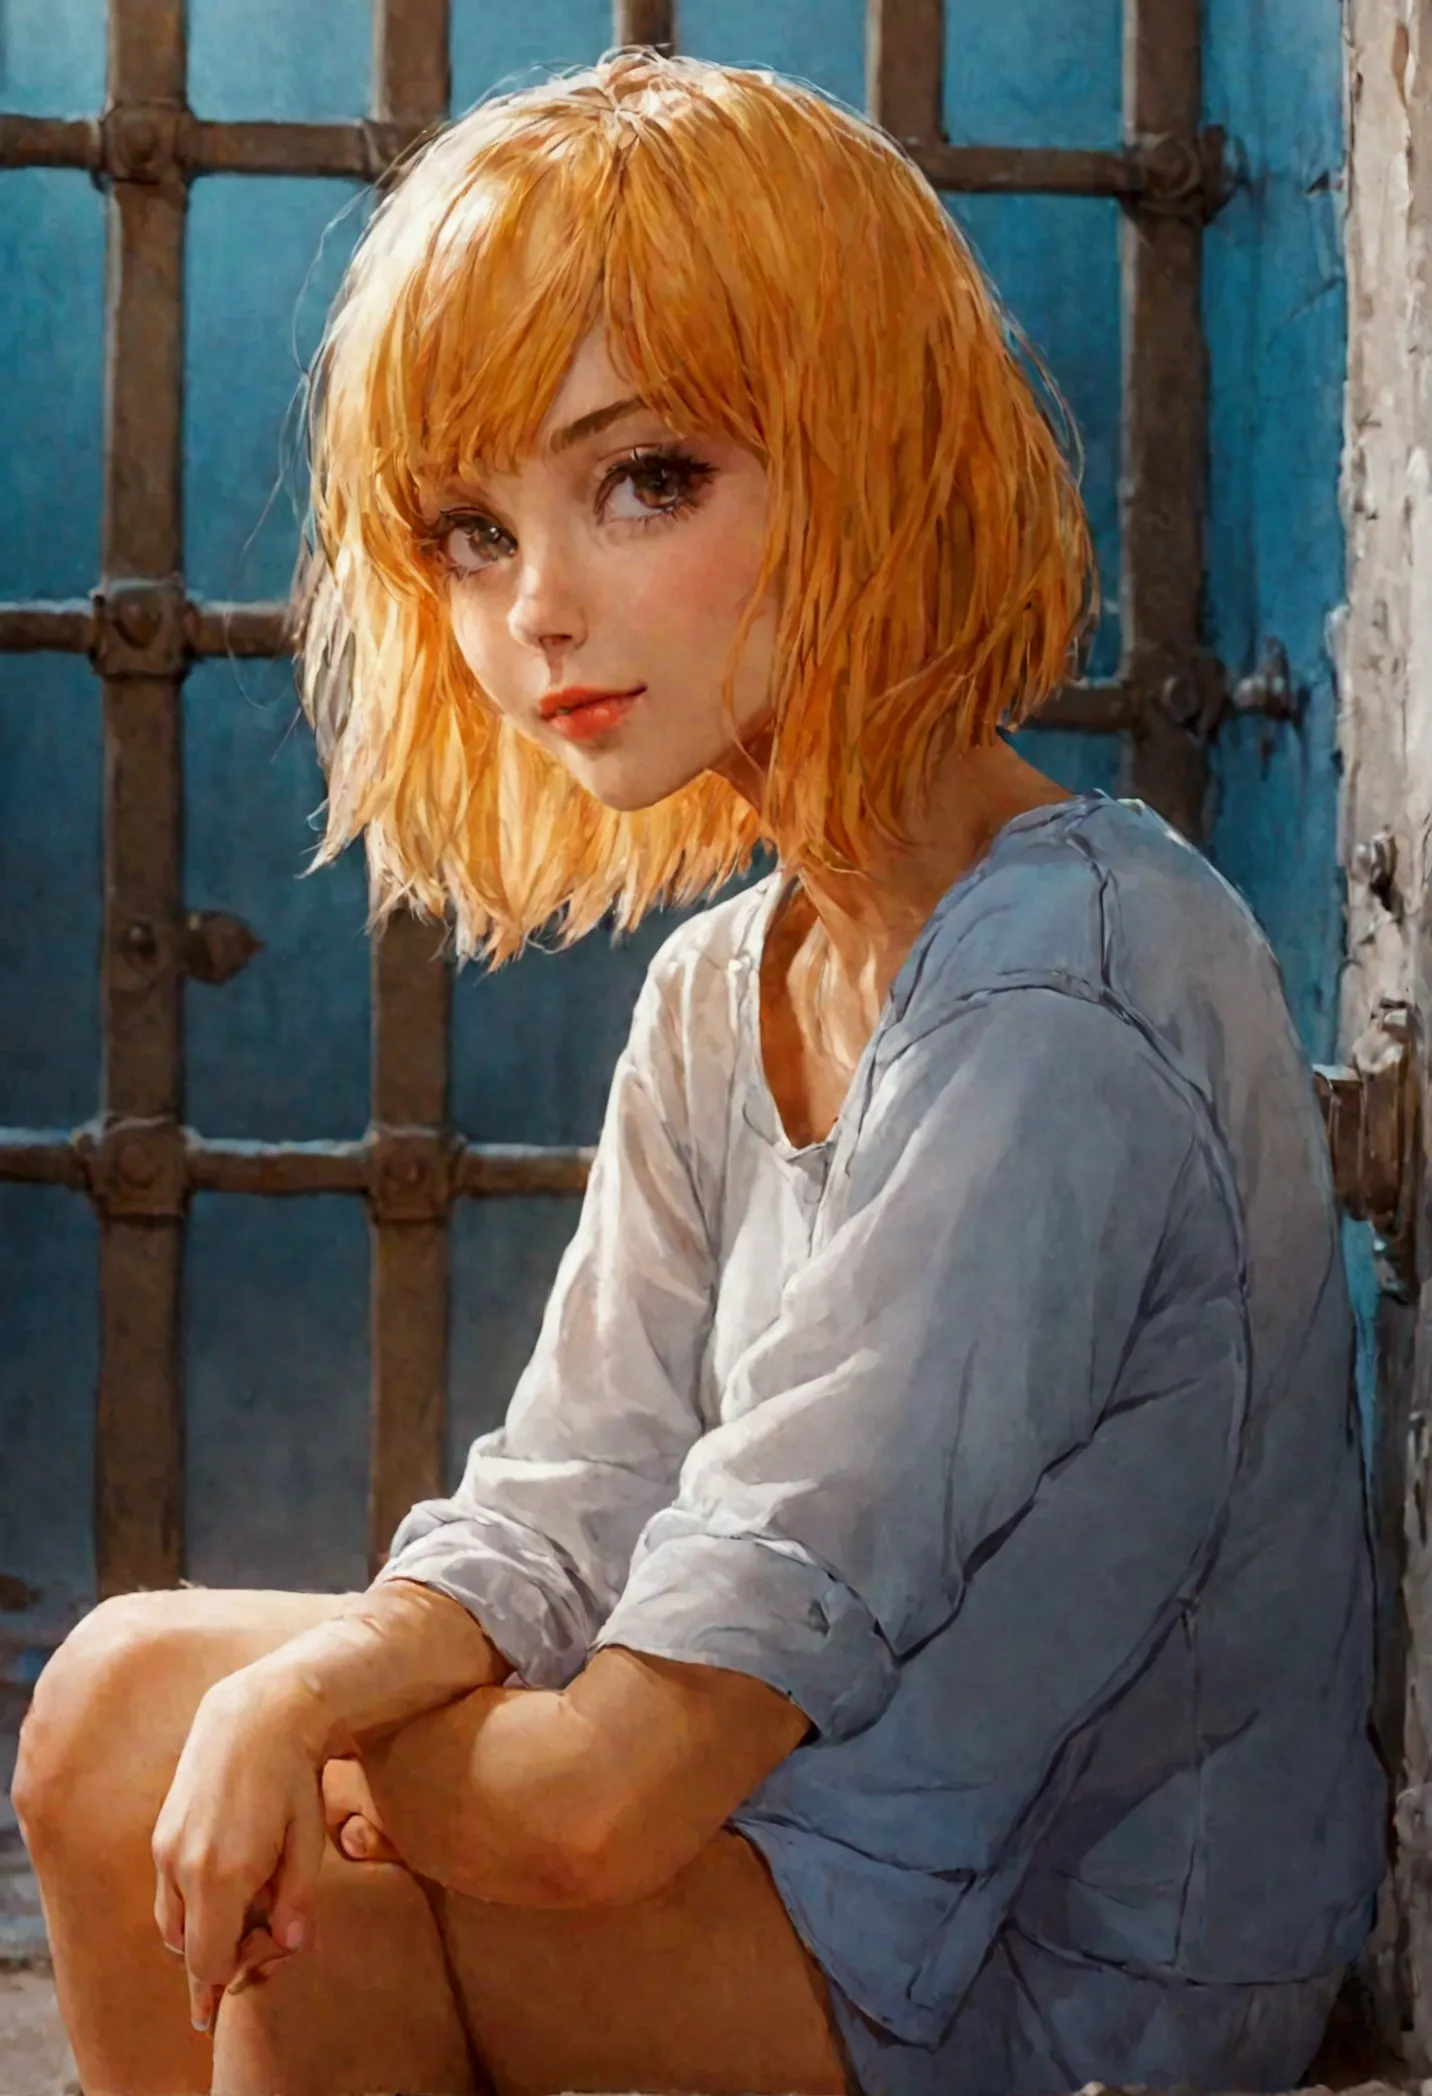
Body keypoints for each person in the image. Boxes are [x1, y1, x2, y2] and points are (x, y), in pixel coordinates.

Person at [14, 47, 1383, 2096]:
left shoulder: (1059, 1012)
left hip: (1074, 1968)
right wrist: (295, 1685)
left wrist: (310, 1741)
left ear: (869, 453)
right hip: (847, 1849)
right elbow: (574, 1490)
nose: (536, 608)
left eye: (644, 479)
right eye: (469, 530)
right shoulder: (723, 984)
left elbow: (597, 1804)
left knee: (286, 1872)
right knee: (121, 1705)